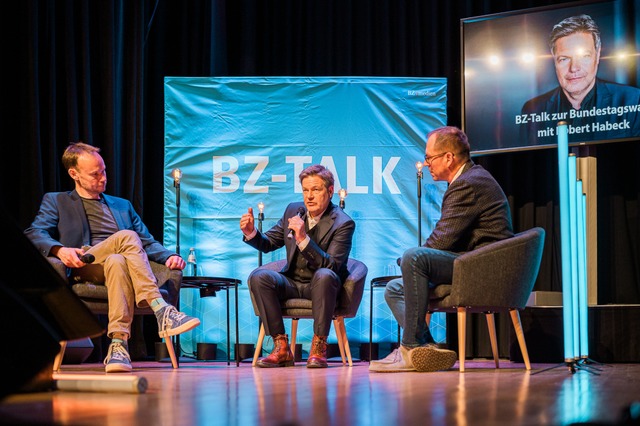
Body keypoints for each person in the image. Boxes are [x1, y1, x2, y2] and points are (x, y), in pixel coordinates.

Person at [24, 142, 200, 373]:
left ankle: (118, 345)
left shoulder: (122, 206)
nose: (103, 178)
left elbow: (146, 241)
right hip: (86, 261)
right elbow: (34, 232)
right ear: (74, 174)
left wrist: (169, 256)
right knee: (126, 236)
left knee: (118, 259)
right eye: (95, 174)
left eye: (104, 170)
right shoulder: (57, 200)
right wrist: (59, 250)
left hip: (122, 264)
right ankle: (161, 309)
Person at [369, 126, 514, 373]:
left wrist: (407, 261)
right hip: (471, 260)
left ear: (449, 157)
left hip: (483, 267)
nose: (426, 164)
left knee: (413, 257)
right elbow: (450, 239)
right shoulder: (469, 178)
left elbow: (442, 241)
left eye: (429, 158)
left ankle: (410, 347)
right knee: (394, 289)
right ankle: (425, 348)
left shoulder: (468, 183)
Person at [240, 164, 355, 368]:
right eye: (305, 190)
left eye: (316, 190)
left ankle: (319, 347)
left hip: (322, 287)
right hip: (292, 282)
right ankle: (281, 346)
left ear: (329, 192)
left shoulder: (343, 223)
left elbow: (333, 266)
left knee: (325, 275)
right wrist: (251, 233)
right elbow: (268, 243)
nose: (309, 196)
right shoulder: (294, 211)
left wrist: (303, 239)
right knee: (260, 277)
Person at [520, 14, 640, 146]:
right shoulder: (533, 110)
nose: (574, 68)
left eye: (584, 56)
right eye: (564, 59)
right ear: (554, 60)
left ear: (598, 54)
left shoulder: (632, 100)